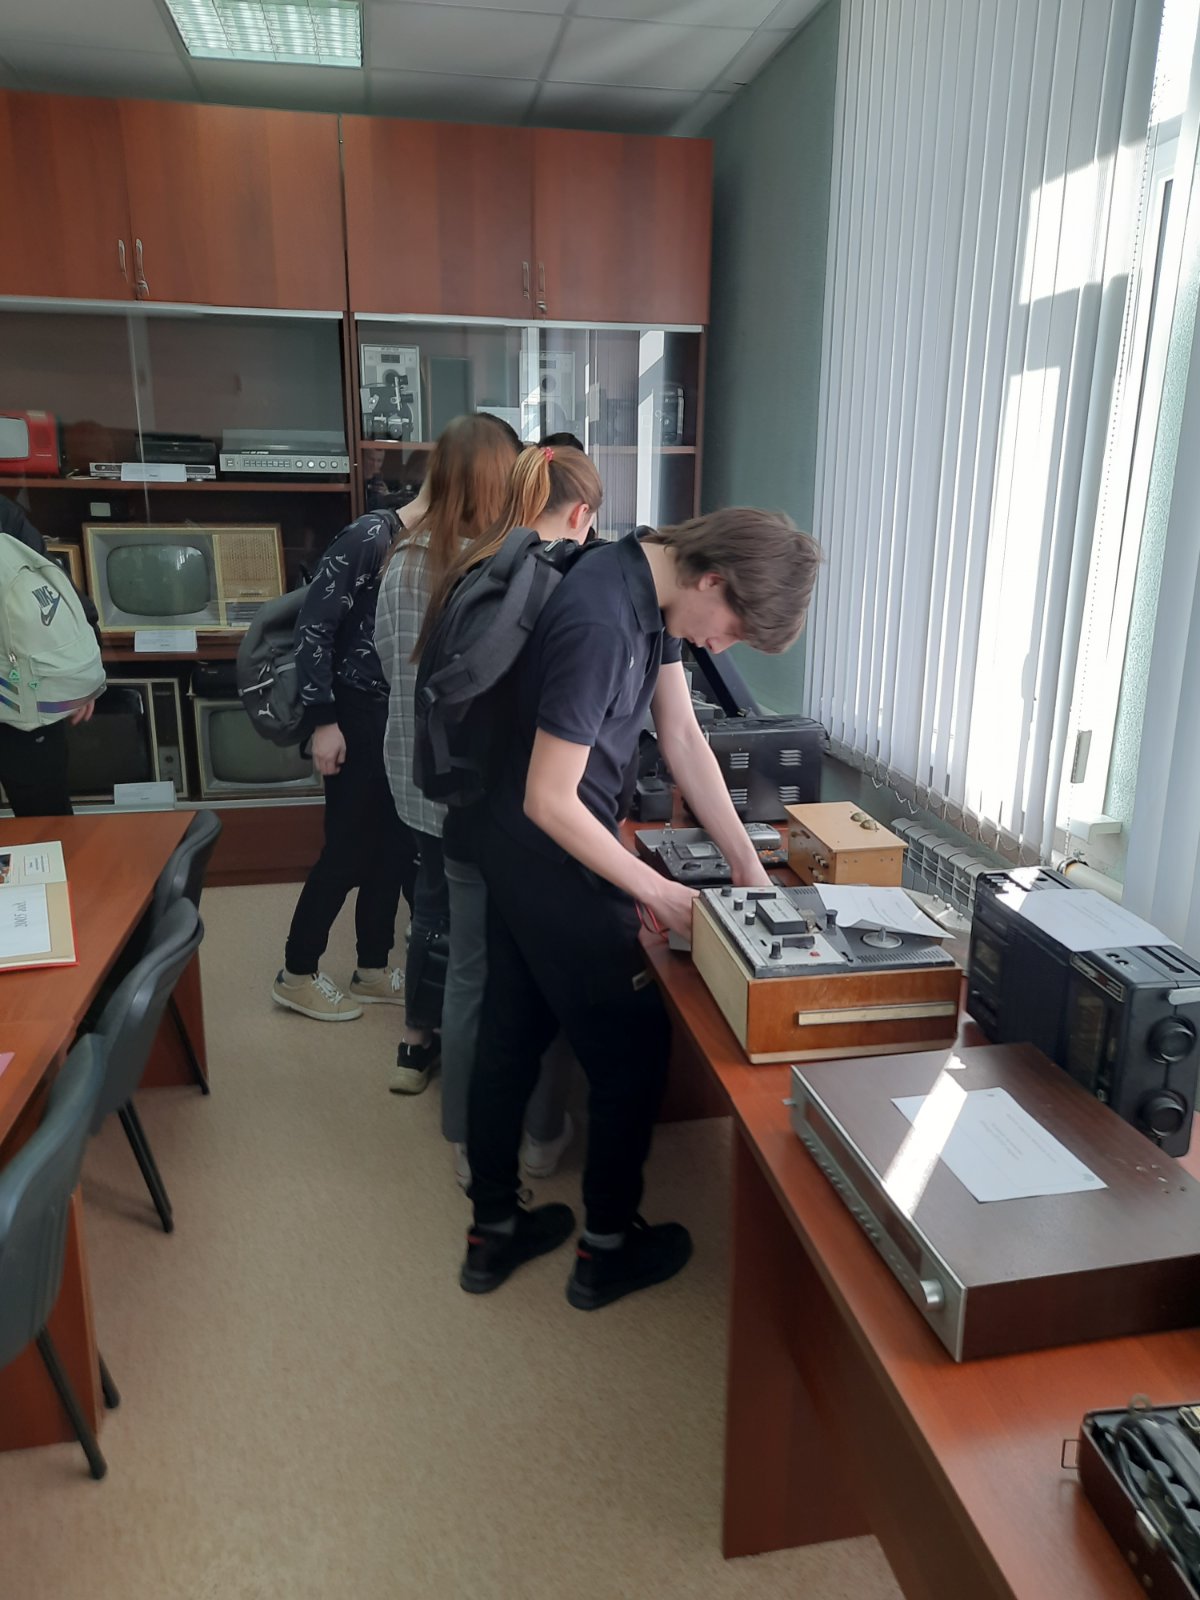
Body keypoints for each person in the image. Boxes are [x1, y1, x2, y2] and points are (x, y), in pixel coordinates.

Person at [460, 508, 822, 1310]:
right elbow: (551, 800)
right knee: (632, 1052)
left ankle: (493, 1232)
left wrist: (746, 864)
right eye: (731, 629)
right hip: (552, 853)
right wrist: (656, 891)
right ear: (713, 579)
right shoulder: (601, 618)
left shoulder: (644, 583)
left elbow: (682, 734)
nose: (719, 647)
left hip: (518, 848)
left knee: (511, 1035)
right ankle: (606, 1250)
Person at [414, 444, 605, 1186]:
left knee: (470, 979)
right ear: (582, 513)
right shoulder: (571, 589)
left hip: (464, 815)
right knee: (541, 981)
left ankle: (466, 1140)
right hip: (535, 828)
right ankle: (540, 1135)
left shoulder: (468, 571)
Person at [375, 413, 520, 1091]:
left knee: (428, 901)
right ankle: (474, 1042)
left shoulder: (403, 557)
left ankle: (414, 1042)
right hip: (472, 778)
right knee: (478, 915)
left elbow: (386, 660)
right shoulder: (497, 568)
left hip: (411, 765)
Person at [271, 495, 426, 1023]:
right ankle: (296, 973)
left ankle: (372, 967)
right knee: (347, 850)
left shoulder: (421, 545)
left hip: (394, 713)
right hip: (353, 712)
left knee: (394, 848)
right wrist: (323, 721)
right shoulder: (371, 536)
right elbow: (313, 628)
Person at [0, 496, 98, 817]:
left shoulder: (3, 514)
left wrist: (77, 673)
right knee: (48, 824)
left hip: (24, 697)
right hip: (23, 692)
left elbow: (52, 585)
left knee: (48, 824)